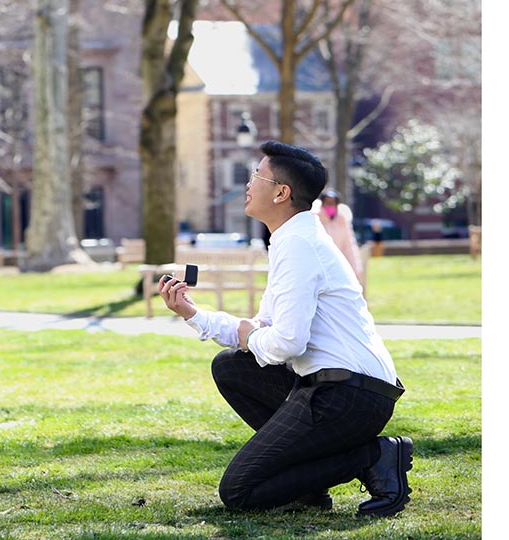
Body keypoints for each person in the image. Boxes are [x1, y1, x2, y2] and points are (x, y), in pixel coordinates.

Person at [157, 140, 412, 517]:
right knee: (231, 366)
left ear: (281, 192)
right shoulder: (289, 240)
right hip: (332, 388)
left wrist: (251, 336)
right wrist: (193, 314)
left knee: (240, 492)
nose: (248, 183)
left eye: (256, 175)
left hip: (349, 396)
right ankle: (309, 485)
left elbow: (287, 343)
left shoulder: (300, 245)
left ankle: (374, 455)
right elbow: (263, 328)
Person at [311, 189, 365, 290]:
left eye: (333, 203)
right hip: (319, 267)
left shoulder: (342, 221)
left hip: (337, 267)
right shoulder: (315, 219)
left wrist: (356, 268)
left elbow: (349, 246)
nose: (330, 206)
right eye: (328, 203)